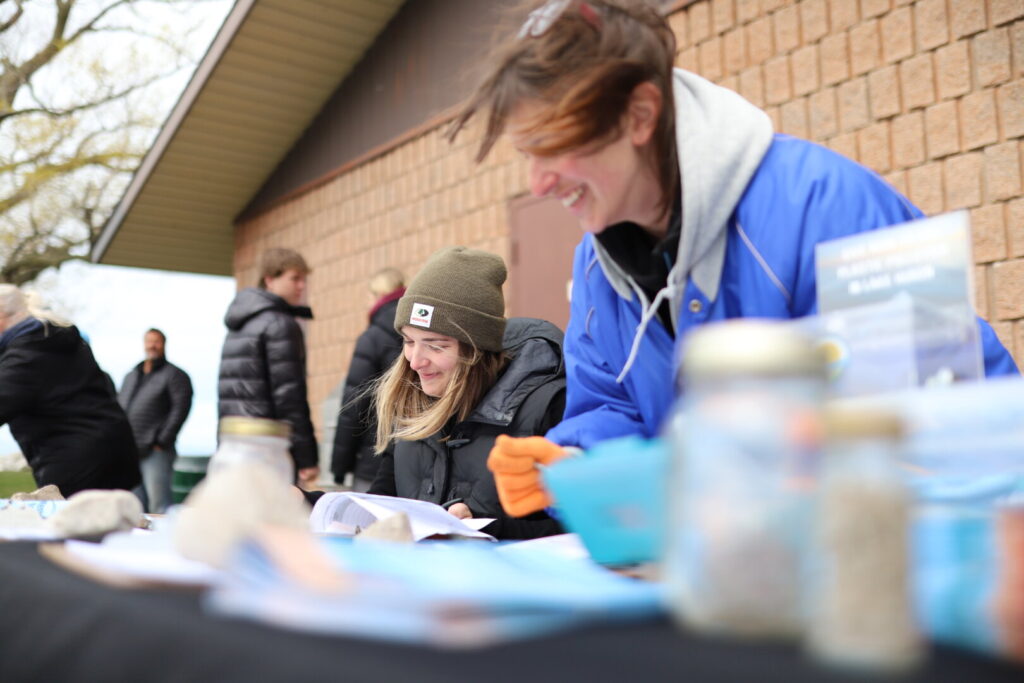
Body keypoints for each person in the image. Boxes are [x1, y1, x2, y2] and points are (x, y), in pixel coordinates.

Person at [443, 0, 1021, 516]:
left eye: (554, 145)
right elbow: (613, 410)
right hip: (737, 577)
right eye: (527, 153)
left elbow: (936, 427)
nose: (538, 182)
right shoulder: (594, 269)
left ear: (640, 115)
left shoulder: (822, 204)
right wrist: (572, 463)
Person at [308, 246, 565, 540]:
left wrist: (483, 527)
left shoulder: (549, 407)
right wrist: (307, 503)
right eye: (408, 341)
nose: (415, 361)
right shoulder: (411, 411)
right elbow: (381, 509)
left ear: (476, 351)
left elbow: (579, 528)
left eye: (435, 345)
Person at [0, 285, 140, 497]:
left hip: (77, 459)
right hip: (110, 451)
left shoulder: (29, 351)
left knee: (72, 526)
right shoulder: (50, 339)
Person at [218, 248, 319, 487]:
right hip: (268, 451)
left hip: (234, 447)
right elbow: (289, 397)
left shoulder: (239, 324)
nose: (302, 286)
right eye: (295, 278)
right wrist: (306, 458)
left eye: (304, 279)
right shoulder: (280, 324)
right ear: (270, 280)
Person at [330, 268, 406, 491]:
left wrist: (339, 467)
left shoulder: (372, 338)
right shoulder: (418, 330)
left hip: (373, 457)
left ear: (377, 296)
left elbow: (355, 402)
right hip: (413, 456)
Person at [118, 328, 193, 513]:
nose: (152, 345)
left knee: (159, 505)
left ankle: (163, 540)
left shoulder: (175, 375)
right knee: (134, 507)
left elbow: (180, 409)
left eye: (156, 341)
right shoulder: (132, 375)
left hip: (156, 451)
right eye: (149, 341)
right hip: (130, 451)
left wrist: (162, 440)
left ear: (164, 344)